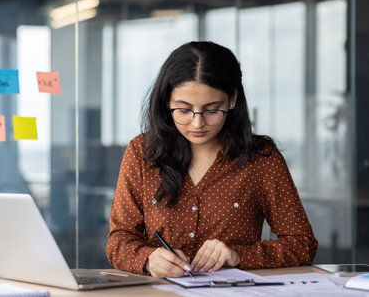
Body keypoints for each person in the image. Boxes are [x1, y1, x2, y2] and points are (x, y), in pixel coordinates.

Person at [106, 41, 318, 278]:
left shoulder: (261, 158)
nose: (198, 123)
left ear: (232, 99)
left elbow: (302, 244)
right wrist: (148, 260)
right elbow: (119, 240)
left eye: (212, 110)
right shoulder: (142, 151)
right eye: (184, 110)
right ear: (167, 102)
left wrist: (239, 255)